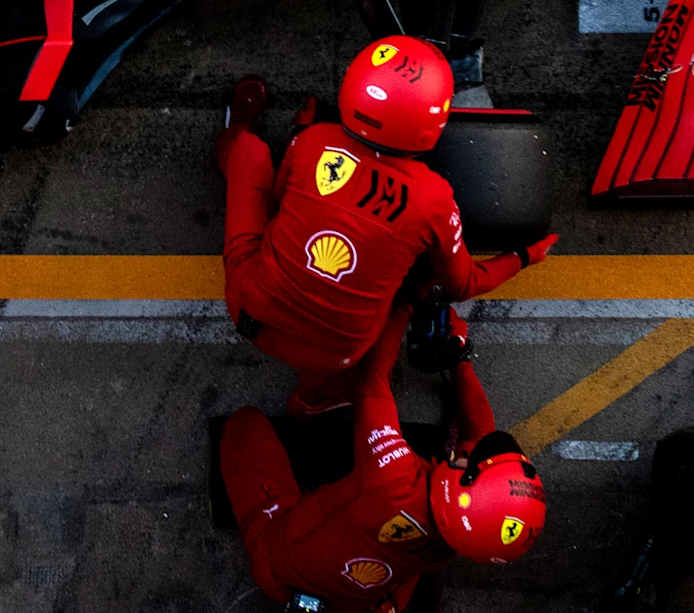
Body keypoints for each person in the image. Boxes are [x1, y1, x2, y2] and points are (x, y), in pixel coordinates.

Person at [216, 37, 553, 411]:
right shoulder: (433, 198)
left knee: (248, 152)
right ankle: (311, 401)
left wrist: (303, 147)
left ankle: (235, 132)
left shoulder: (313, 141)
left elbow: (278, 201)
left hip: (252, 310)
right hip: (338, 354)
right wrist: (525, 255)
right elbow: (463, 284)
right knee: (419, 274)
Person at [218, 303, 548, 613]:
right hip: (360, 590)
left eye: (467, 463)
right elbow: (480, 437)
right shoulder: (459, 535)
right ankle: (384, 607)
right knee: (403, 570)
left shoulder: (392, 480)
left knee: (244, 427)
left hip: (282, 569)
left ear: (462, 488)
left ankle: (376, 598)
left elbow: (372, 380)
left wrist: (405, 306)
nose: (464, 455)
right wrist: (459, 360)